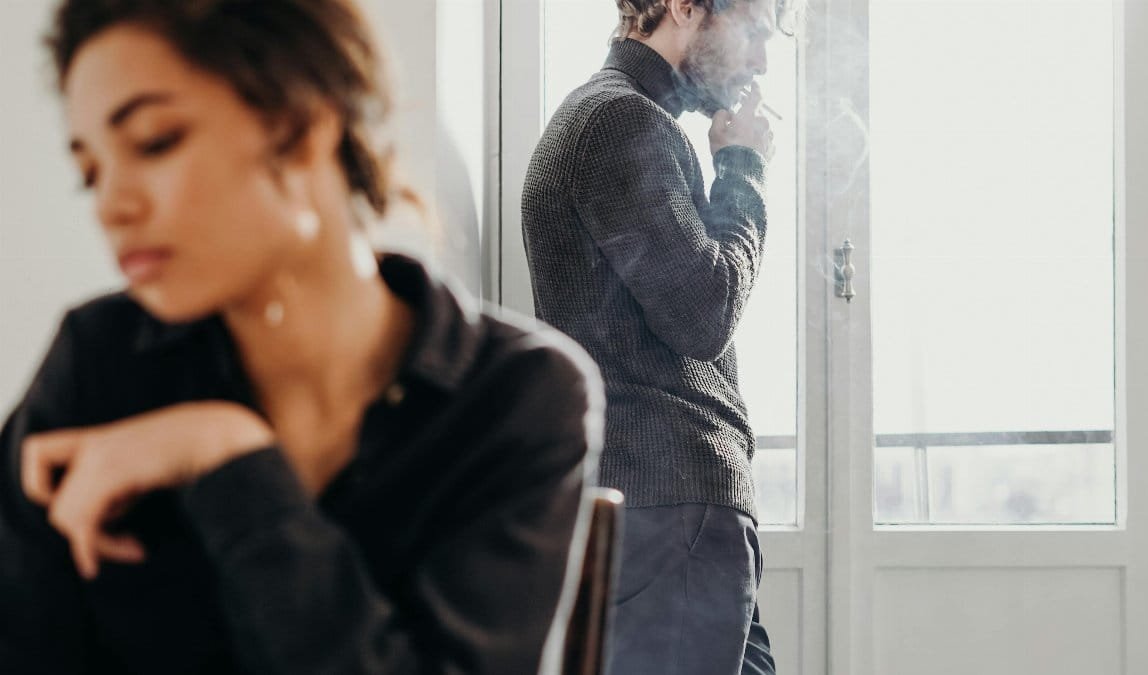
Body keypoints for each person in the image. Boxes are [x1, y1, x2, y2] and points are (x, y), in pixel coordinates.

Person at [0, 1, 603, 673]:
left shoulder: (520, 395)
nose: (112, 205)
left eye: (154, 140)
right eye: (91, 171)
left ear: (304, 126)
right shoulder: (99, 355)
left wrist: (226, 456)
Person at [521, 0, 788, 673]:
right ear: (684, 7)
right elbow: (704, 312)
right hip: (670, 509)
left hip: (674, 511)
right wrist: (743, 171)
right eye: (753, 32)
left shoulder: (623, 118)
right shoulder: (620, 121)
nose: (760, 60)